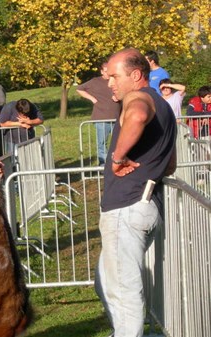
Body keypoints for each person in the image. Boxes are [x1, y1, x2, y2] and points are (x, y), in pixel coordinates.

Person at [96, 48, 176, 337]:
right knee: (104, 281)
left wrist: (118, 156)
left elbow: (138, 115)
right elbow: (171, 164)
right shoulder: (164, 106)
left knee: (124, 293)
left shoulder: (138, 98)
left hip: (127, 207)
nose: (110, 83)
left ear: (136, 75)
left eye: (115, 76)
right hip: (144, 205)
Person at [76, 62, 121, 165]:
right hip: (101, 118)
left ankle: (116, 164)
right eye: (106, 71)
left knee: (118, 142)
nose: (108, 74)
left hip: (117, 117)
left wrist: (118, 96)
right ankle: (103, 165)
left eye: (109, 71)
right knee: (102, 143)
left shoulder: (117, 80)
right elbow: (79, 89)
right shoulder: (95, 82)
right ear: (101, 71)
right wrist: (92, 99)